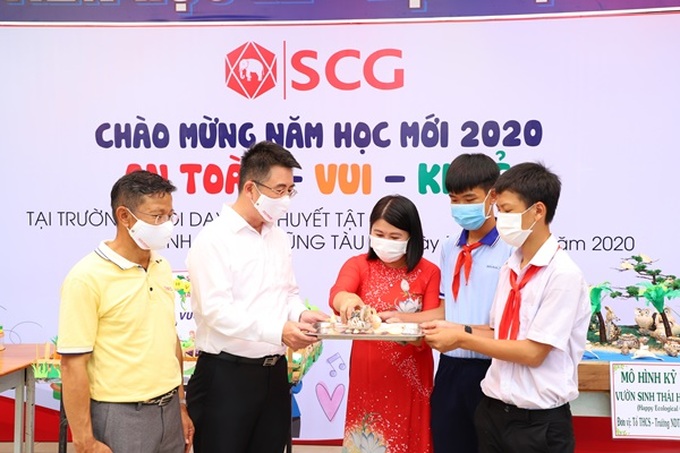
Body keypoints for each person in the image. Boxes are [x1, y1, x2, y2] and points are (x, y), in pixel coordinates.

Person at [423, 162, 591, 453]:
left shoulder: (563, 275)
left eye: (508, 211)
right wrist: (454, 327)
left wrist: (460, 338)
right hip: (493, 411)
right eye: (499, 210)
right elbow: (498, 331)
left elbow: (533, 352)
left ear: (538, 211)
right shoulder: (511, 267)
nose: (501, 219)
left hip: (537, 423)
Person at [185, 141, 328, 453]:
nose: (286, 200)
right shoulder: (214, 239)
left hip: (274, 375)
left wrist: (300, 314)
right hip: (226, 377)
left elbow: (287, 294)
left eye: (290, 191)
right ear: (250, 188)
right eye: (279, 190)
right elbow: (216, 311)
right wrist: (278, 331)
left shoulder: (278, 237)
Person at [58, 170, 193, 453]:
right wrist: (84, 441)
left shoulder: (161, 266)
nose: (166, 225)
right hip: (121, 415)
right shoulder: (86, 277)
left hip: (169, 411)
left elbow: (170, 339)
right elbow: (73, 365)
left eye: (170, 216)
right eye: (157, 216)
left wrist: (180, 404)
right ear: (125, 216)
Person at [330, 194, 442, 453]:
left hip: (411, 376)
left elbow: (435, 318)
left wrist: (402, 320)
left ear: (412, 237)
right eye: (379, 234)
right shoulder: (359, 265)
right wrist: (347, 301)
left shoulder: (429, 272)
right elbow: (338, 292)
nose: (385, 242)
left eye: (395, 237)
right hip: (368, 374)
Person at [430, 154, 514, 453]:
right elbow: (445, 308)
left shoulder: (512, 248)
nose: (461, 207)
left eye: (469, 199)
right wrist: (400, 321)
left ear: (493, 196)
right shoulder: (449, 247)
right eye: (454, 200)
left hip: (493, 366)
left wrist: (463, 333)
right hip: (450, 368)